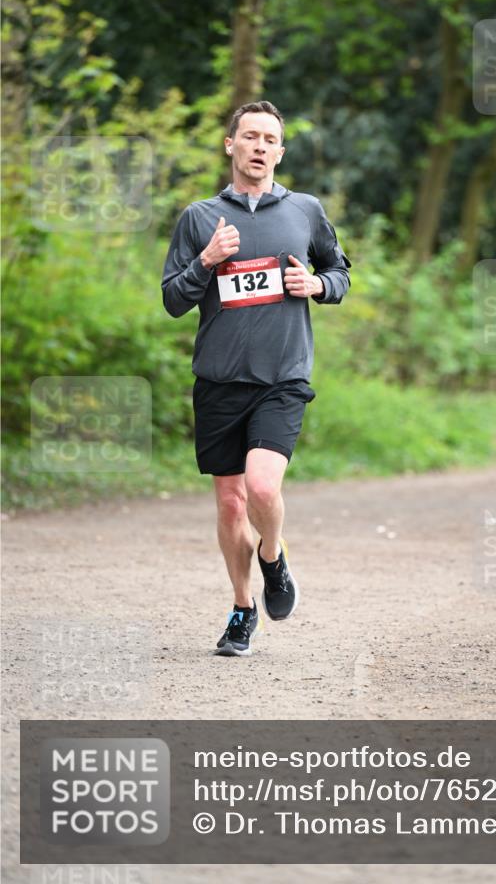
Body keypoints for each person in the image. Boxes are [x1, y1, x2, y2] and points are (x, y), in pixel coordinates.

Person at [161, 100, 351, 657]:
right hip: (219, 379)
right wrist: (206, 261)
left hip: (282, 376)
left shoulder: (306, 211)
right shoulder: (199, 218)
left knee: (263, 487)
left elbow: (339, 271)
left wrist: (318, 287)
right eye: (250, 136)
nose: (260, 146)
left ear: (281, 151)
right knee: (229, 505)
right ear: (231, 145)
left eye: (270, 138)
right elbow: (173, 299)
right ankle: (243, 608)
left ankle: (273, 555)